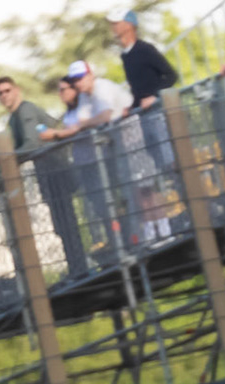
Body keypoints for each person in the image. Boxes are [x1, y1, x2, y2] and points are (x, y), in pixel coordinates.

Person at [0, 76, 91, 277]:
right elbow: (20, 149)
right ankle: (77, 268)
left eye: (7, 90)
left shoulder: (25, 111)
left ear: (17, 90)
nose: (4, 95)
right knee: (62, 224)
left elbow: (31, 145)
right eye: (0, 93)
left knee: (66, 223)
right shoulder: (14, 118)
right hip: (47, 173)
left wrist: (4, 159)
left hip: (56, 170)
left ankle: (80, 269)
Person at [108, 9, 179, 242]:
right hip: (143, 119)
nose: (114, 27)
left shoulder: (145, 49)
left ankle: (192, 210)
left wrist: (154, 96)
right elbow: (138, 88)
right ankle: (161, 226)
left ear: (129, 25)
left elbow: (170, 75)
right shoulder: (125, 56)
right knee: (152, 172)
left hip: (156, 115)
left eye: (117, 23)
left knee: (170, 164)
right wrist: (133, 104)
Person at [52, 60, 136, 255]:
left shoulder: (102, 88)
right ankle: (123, 242)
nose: (78, 83)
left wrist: (85, 124)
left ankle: (140, 236)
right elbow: (85, 121)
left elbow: (104, 117)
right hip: (116, 146)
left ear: (91, 75)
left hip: (130, 139)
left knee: (136, 192)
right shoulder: (84, 97)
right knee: (112, 200)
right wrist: (87, 123)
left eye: (80, 77)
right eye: (75, 80)